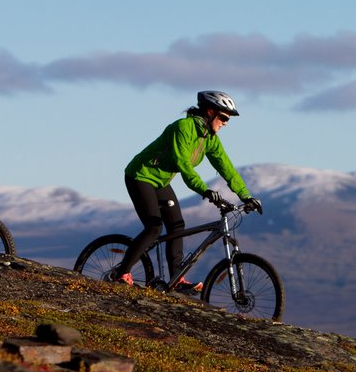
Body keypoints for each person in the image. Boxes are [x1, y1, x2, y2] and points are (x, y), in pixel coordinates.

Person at [112, 90, 263, 291]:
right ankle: (122, 273)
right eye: (224, 117)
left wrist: (246, 196)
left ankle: (176, 280)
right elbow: (183, 164)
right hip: (140, 176)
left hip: (161, 182)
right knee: (154, 227)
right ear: (210, 112)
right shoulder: (183, 128)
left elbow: (226, 168)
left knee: (177, 225)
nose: (226, 122)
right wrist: (205, 190)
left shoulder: (210, 139)